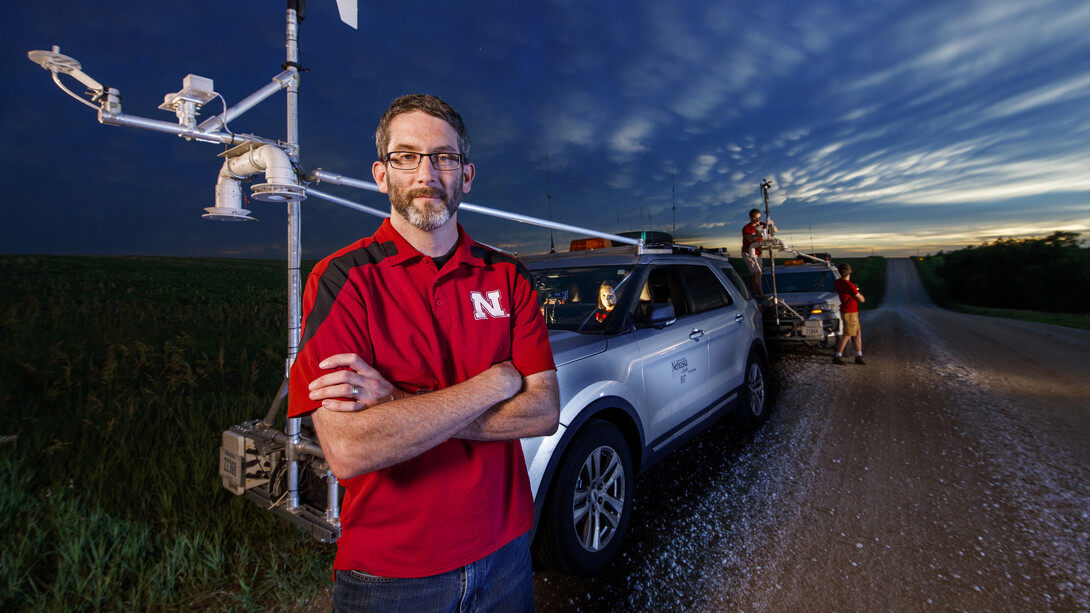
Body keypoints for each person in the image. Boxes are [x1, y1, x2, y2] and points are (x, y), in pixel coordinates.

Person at [287, 94, 560, 612]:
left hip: (505, 552)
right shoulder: (344, 279)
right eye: (406, 156)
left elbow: (544, 412)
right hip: (391, 573)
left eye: (444, 157)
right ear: (381, 173)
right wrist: (493, 384)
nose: (426, 173)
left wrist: (394, 403)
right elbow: (349, 450)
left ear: (467, 175)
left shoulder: (507, 276)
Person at [833, 262, 866, 365]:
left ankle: (859, 356)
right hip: (850, 312)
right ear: (850, 272)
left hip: (847, 311)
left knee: (857, 333)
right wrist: (860, 294)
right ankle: (838, 356)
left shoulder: (838, 282)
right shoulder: (850, 286)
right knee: (847, 334)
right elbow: (861, 299)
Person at [741, 208, 778, 297]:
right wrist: (759, 235)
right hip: (748, 253)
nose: (758, 220)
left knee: (755, 275)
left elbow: (775, 231)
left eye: (759, 217)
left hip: (758, 253)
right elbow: (749, 238)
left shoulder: (762, 224)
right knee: (758, 272)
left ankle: (752, 294)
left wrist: (772, 225)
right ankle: (761, 294)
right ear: (751, 218)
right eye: (756, 218)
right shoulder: (747, 228)